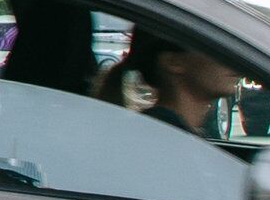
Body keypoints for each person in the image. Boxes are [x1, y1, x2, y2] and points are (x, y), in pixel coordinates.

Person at [96, 26, 245, 138]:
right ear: (173, 62)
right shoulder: (162, 136)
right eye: (216, 48)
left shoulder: (166, 130)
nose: (232, 59)